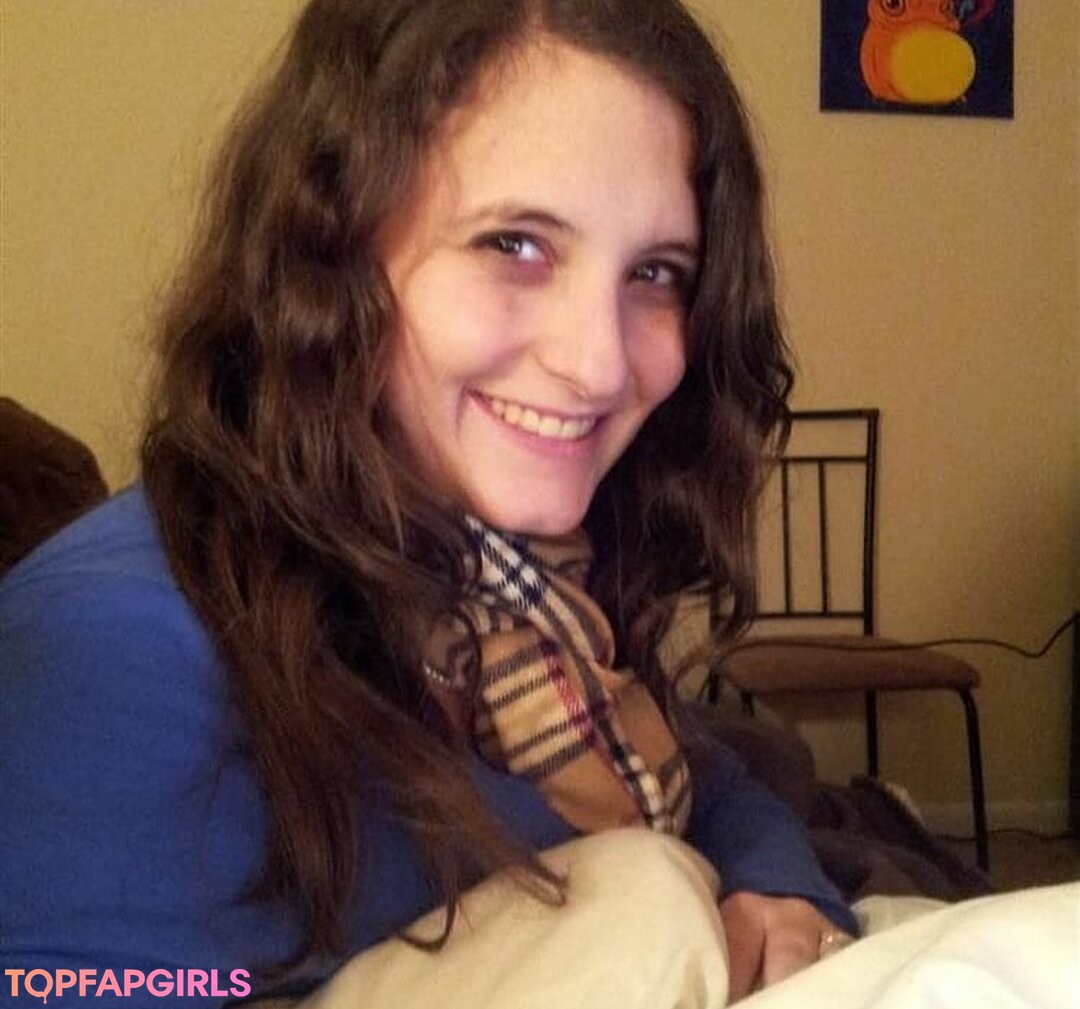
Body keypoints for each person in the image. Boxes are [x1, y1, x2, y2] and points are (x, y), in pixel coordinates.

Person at [0, 0, 857, 1004]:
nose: (599, 363)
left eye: (657, 272)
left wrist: (779, 886)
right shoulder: (112, 653)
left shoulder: (513, 582)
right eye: (515, 244)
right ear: (333, 253)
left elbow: (705, 768)